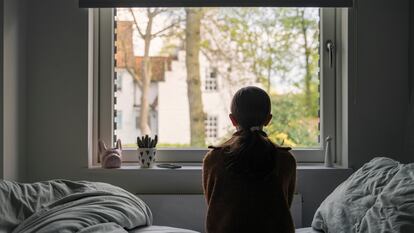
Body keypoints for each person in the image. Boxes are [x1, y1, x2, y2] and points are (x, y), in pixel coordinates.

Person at [202, 86, 297, 233]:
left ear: (232, 120)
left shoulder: (213, 159)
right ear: (268, 119)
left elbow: (213, 206)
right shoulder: (286, 159)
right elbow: (285, 205)